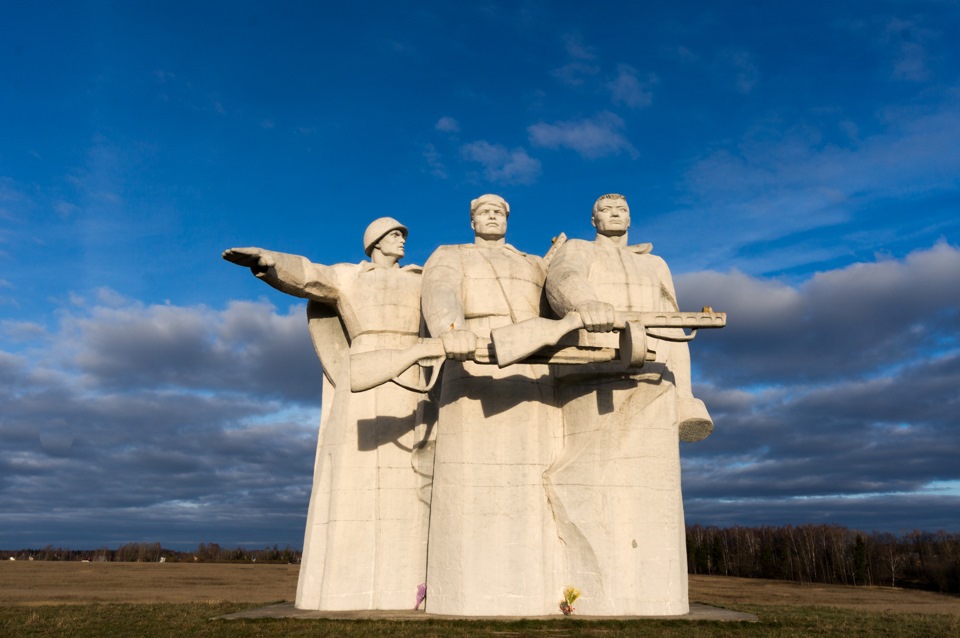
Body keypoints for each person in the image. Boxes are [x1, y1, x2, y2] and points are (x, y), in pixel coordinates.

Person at [222, 217, 432, 611]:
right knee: (355, 473)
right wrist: (268, 261)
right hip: (365, 372)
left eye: (403, 235)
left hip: (412, 373)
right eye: (394, 235)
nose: (402, 240)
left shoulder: (419, 278)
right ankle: (348, 583)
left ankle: (411, 584)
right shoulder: (348, 277)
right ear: (374, 244)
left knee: (411, 474)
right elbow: (308, 274)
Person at [543, 194, 713, 616]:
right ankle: (588, 593)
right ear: (593, 218)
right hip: (595, 371)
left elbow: (674, 326)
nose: (615, 214)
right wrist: (587, 305)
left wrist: (686, 393)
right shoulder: (578, 249)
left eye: (622, 209)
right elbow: (562, 281)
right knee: (586, 480)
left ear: (631, 218)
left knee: (651, 499)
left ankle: (654, 596)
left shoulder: (655, 265)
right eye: (607, 209)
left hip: (653, 375)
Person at [420, 194, 562, 616]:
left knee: (533, 474)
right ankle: (465, 588)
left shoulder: (531, 262)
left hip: (532, 362)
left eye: (499, 212)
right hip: (474, 354)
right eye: (484, 212)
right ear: (472, 222)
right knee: (468, 476)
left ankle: (536, 587)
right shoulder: (450, 254)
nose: (493, 217)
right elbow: (440, 292)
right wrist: (451, 329)